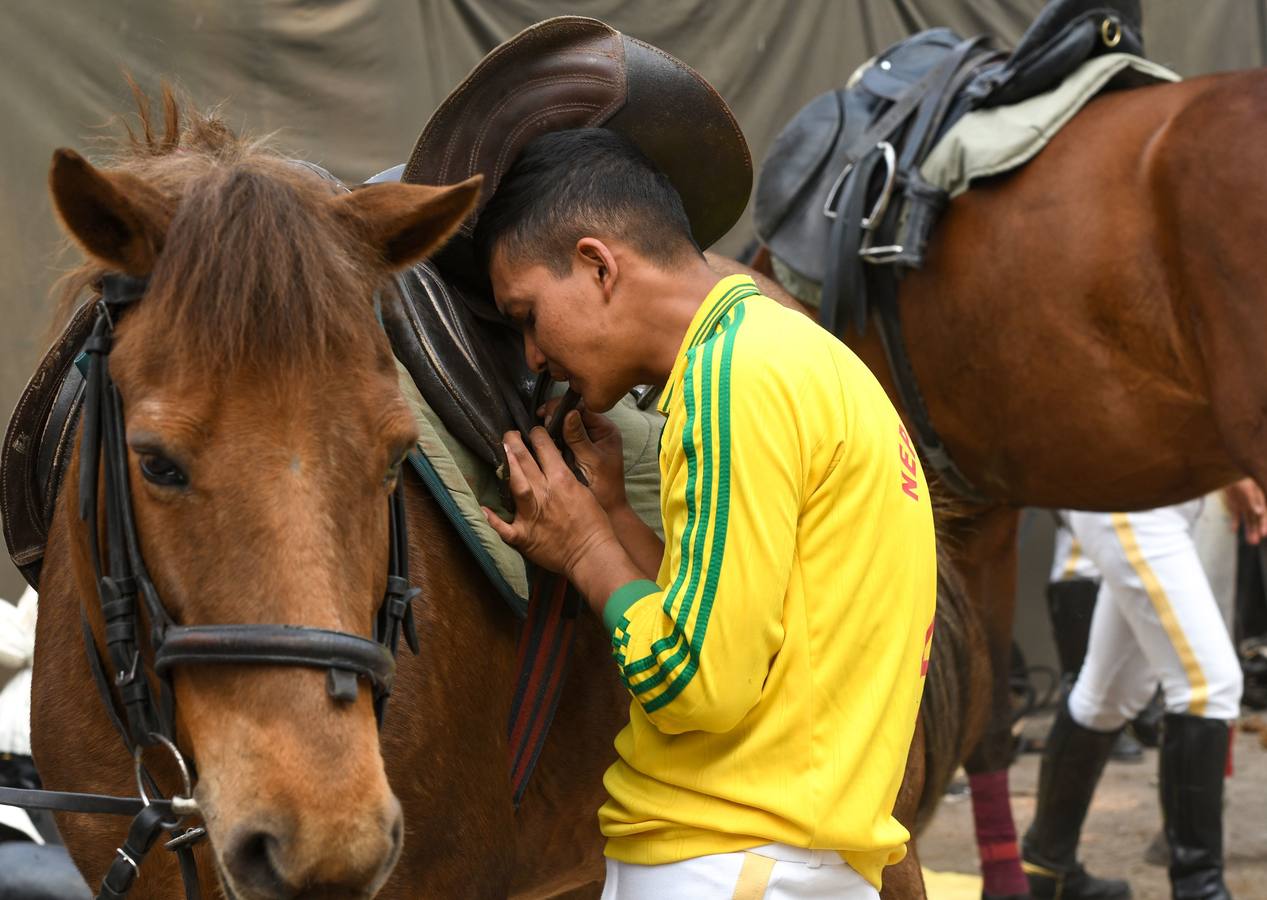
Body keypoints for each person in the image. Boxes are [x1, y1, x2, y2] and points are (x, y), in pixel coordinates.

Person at [474, 127, 937, 899]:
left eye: (527, 315)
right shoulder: (804, 359)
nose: (530, 357)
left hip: (724, 863)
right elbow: (753, 634)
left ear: (596, 266)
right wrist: (617, 514)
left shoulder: (726, 377)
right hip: (797, 861)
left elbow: (697, 681)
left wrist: (587, 548)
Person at [1024, 482, 1258, 900]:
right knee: (1209, 686)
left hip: (1163, 502)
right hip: (1133, 498)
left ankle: (1046, 868)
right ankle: (1198, 890)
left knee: (1110, 694)